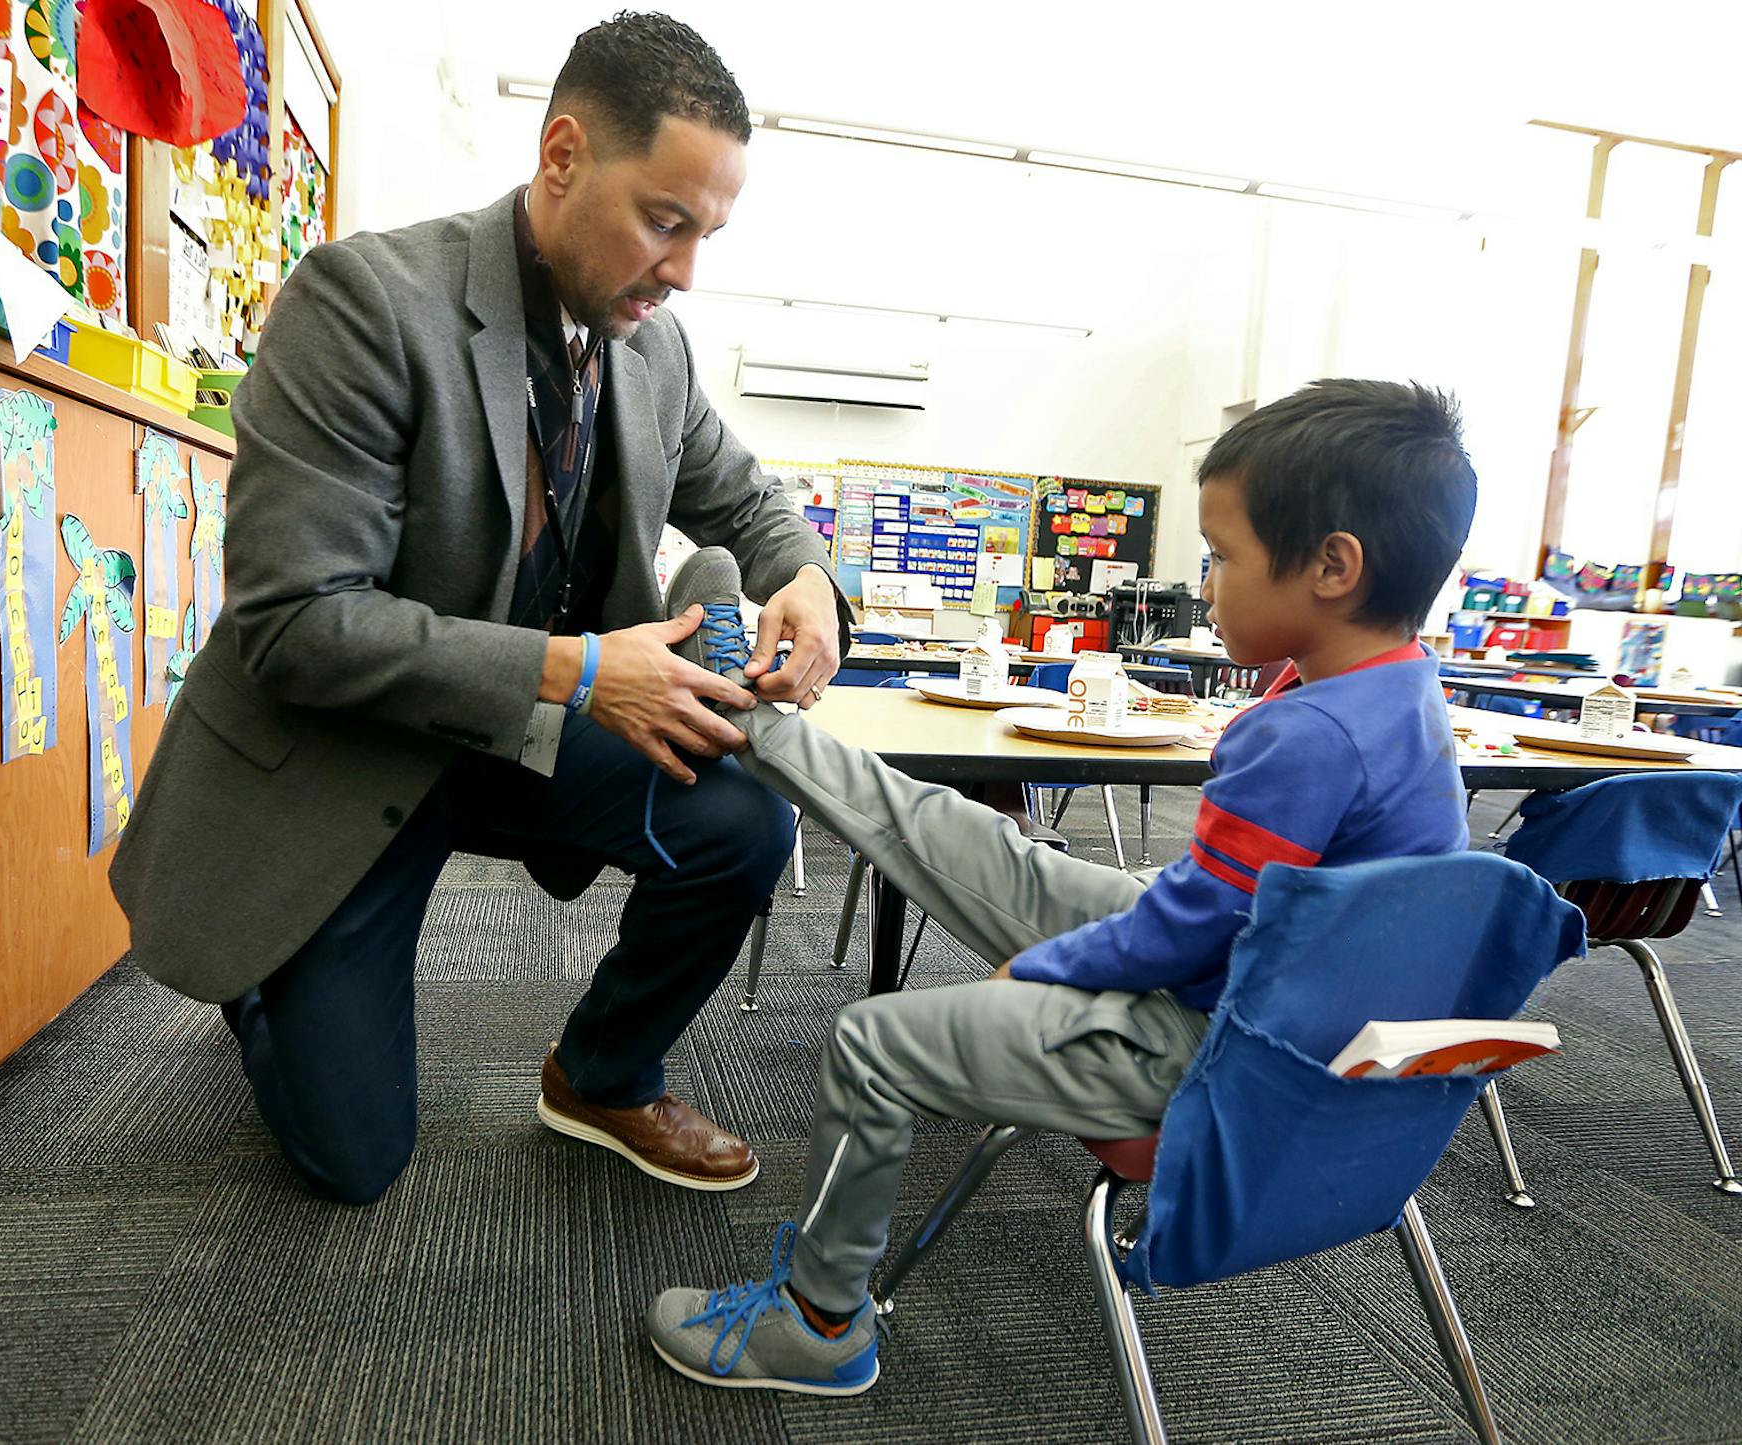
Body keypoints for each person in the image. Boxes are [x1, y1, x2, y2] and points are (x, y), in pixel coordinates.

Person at [110, 12, 851, 1206]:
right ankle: (269, 963)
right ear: (563, 156)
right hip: (348, 748)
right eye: (665, 221)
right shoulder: (363, 304)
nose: (685, 271)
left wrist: (809, 581)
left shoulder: (650, 349)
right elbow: (295, 626)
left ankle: (603, 1073)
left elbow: (753, 503)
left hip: (522, 731)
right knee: (353, 1160)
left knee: (743, 815)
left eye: (708, 233)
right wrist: (578, 671)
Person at [641, 379, 1480, 1395]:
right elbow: (1213, 910)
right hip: (1259, 982)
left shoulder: (1310, 735)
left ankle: (818, 1320)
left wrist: (1042, 968)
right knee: (989, 844)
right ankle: (760, 729)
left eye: (1221, 556)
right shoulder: (1394, 690)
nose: (1205, 583)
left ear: (1332, 565)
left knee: (874, 1042)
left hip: (1224, 1048)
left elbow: (1188, 931)